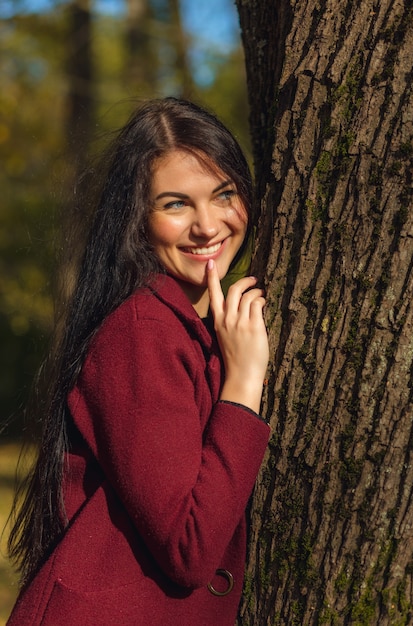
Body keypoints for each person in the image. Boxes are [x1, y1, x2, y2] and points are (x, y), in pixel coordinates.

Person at [7, 97, 270, 626]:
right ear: (138, 221)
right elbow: (188, 547)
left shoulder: (192, 325)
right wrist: (244, 380)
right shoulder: (139, 332)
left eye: (224, 194)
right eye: (175, 204)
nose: (207, 225)